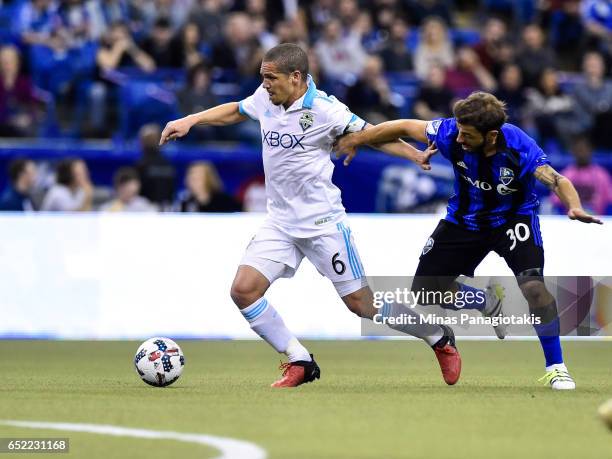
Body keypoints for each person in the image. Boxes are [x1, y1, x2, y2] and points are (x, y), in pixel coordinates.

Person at [160, 43, 461, 388]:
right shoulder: (265, 97)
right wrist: (191, 119)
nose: (265, 84)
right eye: (263, 77)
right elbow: (237, 110)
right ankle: (299, 359)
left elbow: (372, 135)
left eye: (271, 78)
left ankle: (437, 336)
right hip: (280, 222)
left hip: (322, 224)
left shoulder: (326, 110)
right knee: (243, 291)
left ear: (296, 77)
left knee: (363, 305)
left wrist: (413, 155)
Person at [334, 91, 603, 390]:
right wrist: (358, 139)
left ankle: (556, 367)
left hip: (513, 221)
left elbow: (556, 180)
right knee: (424, 293)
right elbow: (403, 126)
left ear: (490, 136)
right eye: (459, 132)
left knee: (534, 288)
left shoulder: (518, 145)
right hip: (464, 221)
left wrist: (574, 205)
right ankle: (485, 300)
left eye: (467, 135)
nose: (459, 140)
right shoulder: (450, 131)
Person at [177, 161, 242, 212]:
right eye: (191, 176)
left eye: (198, 177)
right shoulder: (185, 202)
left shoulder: (226, 202)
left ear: (208, 179)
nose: (192, 180)